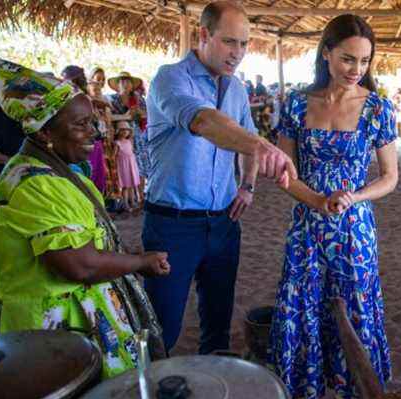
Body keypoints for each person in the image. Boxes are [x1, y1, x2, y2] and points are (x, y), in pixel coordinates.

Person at [0, 59, 170, 377]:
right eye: (81, 124)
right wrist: (141, 262)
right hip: (51, 335)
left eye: (93, 122)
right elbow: (79, 264)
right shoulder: (36, 185)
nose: (96, 132)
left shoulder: (58, 173)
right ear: (45, 131)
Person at [143, 1, 295, 354]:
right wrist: (264, 149)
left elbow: (244, 137)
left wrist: (248, 185)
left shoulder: (237, 88)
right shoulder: (170, 78)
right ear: (203, 35)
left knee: (218, 321)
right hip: (173, 223)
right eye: (230, 42)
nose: (238, 53)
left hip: (225, 221)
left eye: (243, 44)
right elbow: (205, 123)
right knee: (162, 326)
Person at [268, 13, 397, 399]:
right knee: (302, 302)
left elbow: (390, 177)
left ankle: (354, 395)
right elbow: (286, 175)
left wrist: (352, 198)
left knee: (355, 307)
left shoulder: (378, 109)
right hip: (308, 224)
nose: (356, 70)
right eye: (347, 59)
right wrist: (318, 202)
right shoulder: (294, 104)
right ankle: (305, 395)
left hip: (354, 230)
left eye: (364, 61)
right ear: (326, 54)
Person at [108, 71, 148, 207]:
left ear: (132, 85)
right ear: (117, 85)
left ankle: (140, 197)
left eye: (128, 81)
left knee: (140, 166)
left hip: (138, 136)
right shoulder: (112, 99)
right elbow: (109, 118)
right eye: (122, 81)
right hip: (122, 138)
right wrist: (126, 116)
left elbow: (147, 115)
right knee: (124, 168)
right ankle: (125, 201)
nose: (125, 84)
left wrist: (139, 113)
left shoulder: (138, 99)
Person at [114, 121, 140, 212]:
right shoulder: (117, 143)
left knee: (132, 185)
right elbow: (114, 156)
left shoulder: (129, 141)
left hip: (131, 165)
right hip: (123, 167)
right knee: (125, 186)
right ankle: (125, 204)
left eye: (127, 130)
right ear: (118, 131)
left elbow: (132, 152)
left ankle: (132, 202)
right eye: (122, 130)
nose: (125, 132)